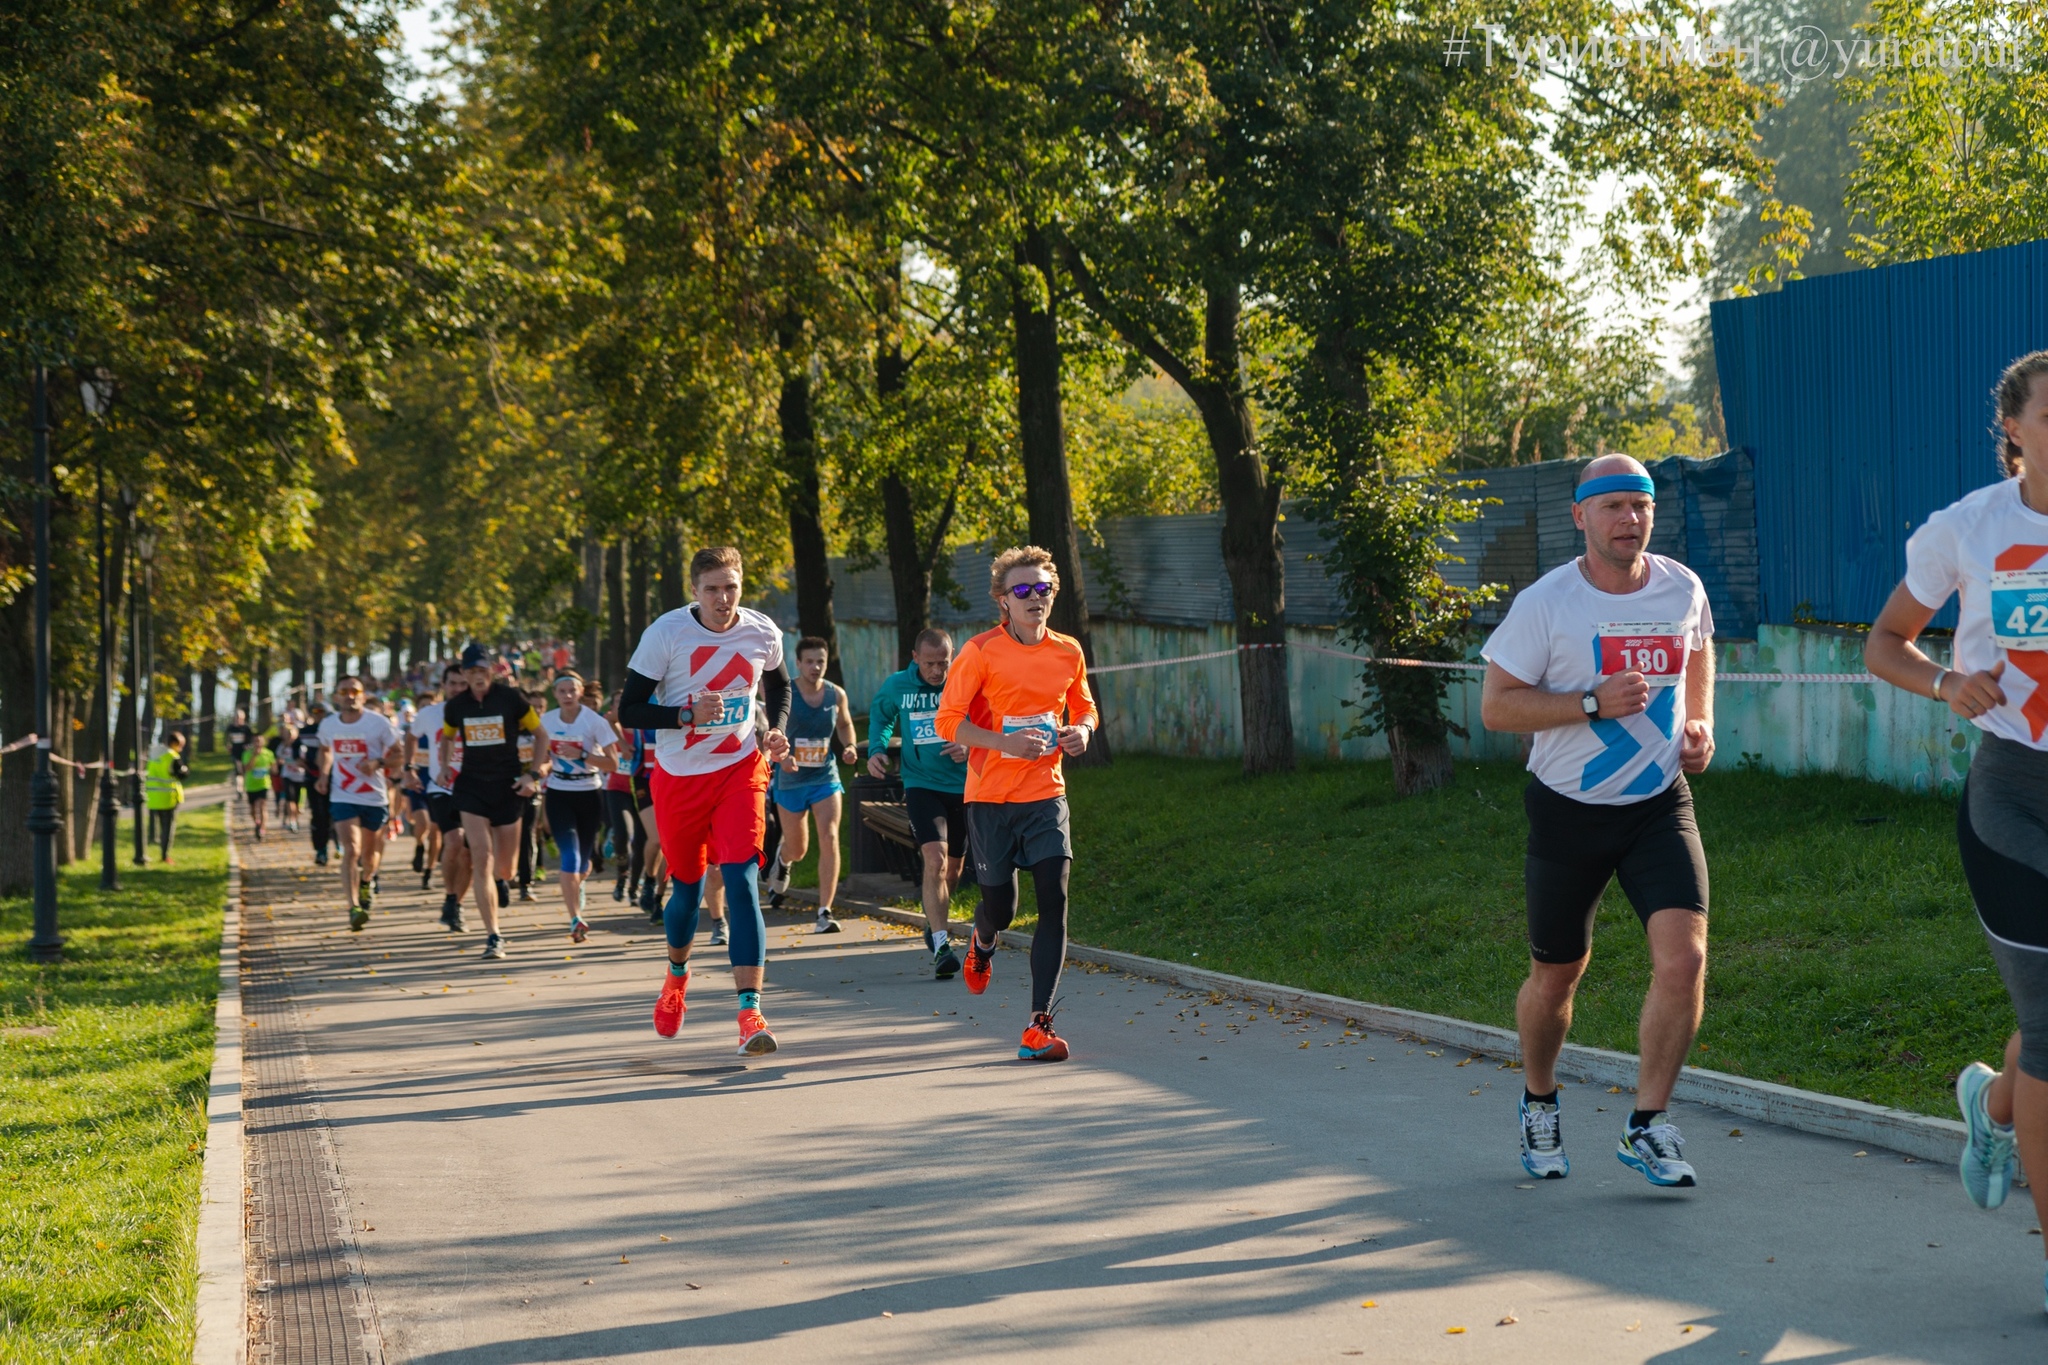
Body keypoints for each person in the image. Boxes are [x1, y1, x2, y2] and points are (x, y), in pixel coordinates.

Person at [1865, 349, 2048, 1314]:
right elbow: (1884, 641)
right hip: (2013, 796)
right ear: (2015, 429)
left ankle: (1990, 1105)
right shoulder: (1970, 527)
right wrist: (1945, 680)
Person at [1478, 453, 1715, 1189]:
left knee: (1686, 959)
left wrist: (1701, 721)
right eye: (1612, 506)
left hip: (1658, 804)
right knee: (1557, 977)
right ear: (1580, 515)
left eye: (1640, 505)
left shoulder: (1682, 586)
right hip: (1568, 811)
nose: (1629, 519)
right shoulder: (1548, 603)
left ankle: (1648, 1123)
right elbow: (1497, 706)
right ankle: (1539, 1099)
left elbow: (1700, 648)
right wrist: (1587, 703)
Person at [619, 545, 792, 1055]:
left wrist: (777, 731)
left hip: (741, 770)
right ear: (694, 591)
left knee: (740, 880)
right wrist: (684, 716)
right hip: (679, 778)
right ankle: (676, 979)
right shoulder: (666, 633)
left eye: (731, 587)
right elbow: (630, 709)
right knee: (688, 894)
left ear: (742, 585)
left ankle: (750, 1013)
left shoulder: (763, 631)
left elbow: (779, 688)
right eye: (712, 588)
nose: (723, 598)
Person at [934, 545, 1098, 1063]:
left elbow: (1085, 706)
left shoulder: (1068, 650)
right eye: (1022, 590)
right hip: (990, 798)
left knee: (1055, 900)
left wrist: (1082, 732)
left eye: (1042, 588)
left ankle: (1038, 1026)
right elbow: (947, 720)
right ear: (1004, 600)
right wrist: (1004, 743)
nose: (1034, 598)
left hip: (1046, 793)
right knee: (1002, 910)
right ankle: (983, 942)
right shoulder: (981, 651)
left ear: (1053, 594)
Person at [869, 627, 971, 977]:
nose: (937, 671)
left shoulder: (965, 681)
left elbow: (989, 719)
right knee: (935, 858)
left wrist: (970, 745)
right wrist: (877, 750)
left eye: (944, 662)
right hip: (921, 783)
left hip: (964, 786)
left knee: (954, 870)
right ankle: (942, 944)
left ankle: (934, 920)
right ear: (915, 658)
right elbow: (881, 716)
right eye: (930, 664)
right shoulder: (898, 685)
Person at [441, 644, 546, 960]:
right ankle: (493, 935)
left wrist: (533, 775)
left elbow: (542, 736)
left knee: (506, 867)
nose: (477, 676)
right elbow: (447, 737)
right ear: (465, 674)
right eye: (471, 671)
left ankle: (503, 881)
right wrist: (446, 764)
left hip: (508, 786)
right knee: (481, 857)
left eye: (482, 670)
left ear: (491, 671)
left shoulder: (511, 699)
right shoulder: (456, 706)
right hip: (471, 787)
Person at [762, 636, 857, 934]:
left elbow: (844, 724)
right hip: (790, 780)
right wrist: (783, 758)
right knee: (798, 848)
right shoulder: (785, 692)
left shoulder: (835, 694)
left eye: (821, 661)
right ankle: (782, 859)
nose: (816, 667)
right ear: (798, 663)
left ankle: (824, 911)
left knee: (829, 837)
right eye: (810, 661)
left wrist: (850, 746)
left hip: (824, 777)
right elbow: (771, 732)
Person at [314, 677, 405, 932]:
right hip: (343, 795)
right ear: (336, 696)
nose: (349, 695)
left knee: (369, 855)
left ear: (363, 696)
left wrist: (377, 763)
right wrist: (323, 774)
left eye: (355, 691)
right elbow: (325, 750)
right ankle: (353, 907)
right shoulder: (329, 725)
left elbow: (399, 756)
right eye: (344, 691)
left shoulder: (378, 723)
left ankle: (367, 880)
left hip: (374, 797)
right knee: (351, 850)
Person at [541, 671, 621, 942]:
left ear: (580, 693)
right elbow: (540, 758)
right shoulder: (545, 721)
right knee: (570, 857)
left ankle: (577, 885)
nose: (567, 696)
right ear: (555, 694)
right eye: (561, 691)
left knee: (583, 862)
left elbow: (613, 764)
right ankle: (575, 918)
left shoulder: (595, 722)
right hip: (558, 792)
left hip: (589, 793)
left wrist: (583, 755)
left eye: (571, 691)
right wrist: (536, 771)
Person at [415, 664, 472, 931]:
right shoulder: (429, 714)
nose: (458, 689)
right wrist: (408, 769)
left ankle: (456, 905)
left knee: (470, 856)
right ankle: (450, 896)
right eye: (453, 683)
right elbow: (410, 738)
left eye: (463, 684)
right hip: (442, 788)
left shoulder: (481, 712)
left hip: (475, 788)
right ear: (444, 685)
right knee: (454, 842)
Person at [143, 732, 192, 864]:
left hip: (153, 796)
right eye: (181, 745)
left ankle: (151, 851)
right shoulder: (172, 756)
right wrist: (185, 769)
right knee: (168, 828)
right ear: (175, 744)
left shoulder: (153, 754)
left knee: (156, 825)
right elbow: (182, 774)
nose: (181, 749)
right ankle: (165, 855)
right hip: (168, 797)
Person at [301, 703, 333, 866]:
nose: (319, 714)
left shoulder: (335, 729)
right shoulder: (305, 732)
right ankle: (321, 850)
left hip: (335, 780)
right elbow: (297, 754)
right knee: (318, 815)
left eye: (322, 711)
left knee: (334, 814)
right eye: (315, 711)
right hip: (312, 779)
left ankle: (340, 845)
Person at [276, 723, 310, 833]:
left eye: (291, 734)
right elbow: (278, 759)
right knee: (290, 799)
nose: (289, 736)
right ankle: (292, 821)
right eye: (287, 734)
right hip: (287, 776)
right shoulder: (282, 746)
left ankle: (295, 819)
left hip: (300, 777)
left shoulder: (301, 746)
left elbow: (305, 761)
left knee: (297, 802)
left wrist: (301, 763)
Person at [244, 736, 276, 840]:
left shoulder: (268, 753)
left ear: (263, 742)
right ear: (252, 743)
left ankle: (262, 829)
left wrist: (274, 767)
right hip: (251, 785)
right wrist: (254, 756)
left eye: (259, 741)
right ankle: (257, 823)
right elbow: (247, 768)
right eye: (255, 741)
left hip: (264, 784)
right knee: (253, 810)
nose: (257, 744)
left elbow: (274, 769)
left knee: (262, 806)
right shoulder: (247, 754)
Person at [224, 709, 254, 778]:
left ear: (243, 718)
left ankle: (245, 781)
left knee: (245, 768)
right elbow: (227, 738)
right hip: (235, 750)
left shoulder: (246, 728)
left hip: (245, 751)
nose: (238, 719)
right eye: (236, 717)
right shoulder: (231, 727)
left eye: (240, 718)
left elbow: (251, 739)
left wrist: (249, 746)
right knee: (238, 768)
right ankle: (239, 782)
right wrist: (227, 745)